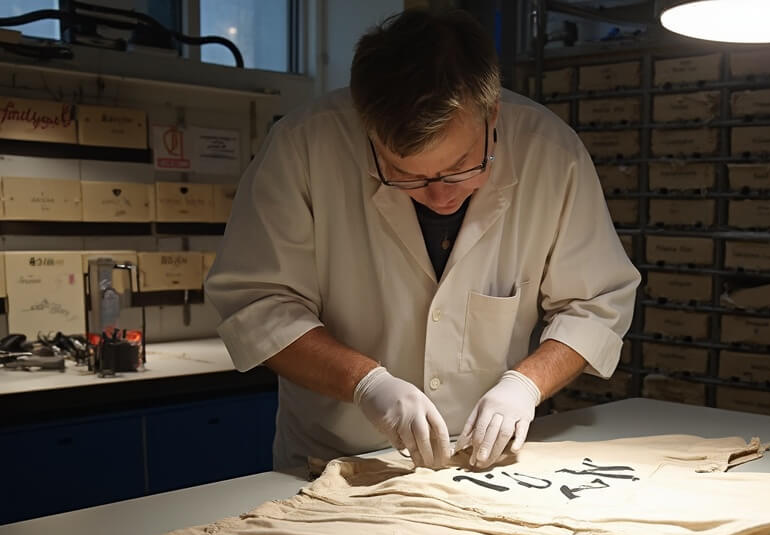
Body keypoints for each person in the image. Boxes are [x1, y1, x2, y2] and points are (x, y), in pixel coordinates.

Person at [205, 8, 639, 473]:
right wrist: (365, 383)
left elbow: (594, 305)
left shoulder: (552, 154)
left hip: (486, 463)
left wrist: (525, 385)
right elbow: (258, 305)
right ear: (366, 126)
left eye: (461, 168)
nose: (439, 196)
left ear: (492, 113)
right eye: (405, 175)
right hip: (337, 458)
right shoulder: (302, 148)